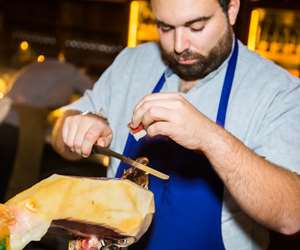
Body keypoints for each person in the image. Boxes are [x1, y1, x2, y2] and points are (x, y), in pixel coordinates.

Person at [52, 0, 300, 249]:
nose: (179, 46)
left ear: (232, 9)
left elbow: (291, 216)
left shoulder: (278, 91)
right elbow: (59, 135)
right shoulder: (132, 62)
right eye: (166, 28)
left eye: (197, 27)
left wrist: (209, 137)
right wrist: (75, 126)